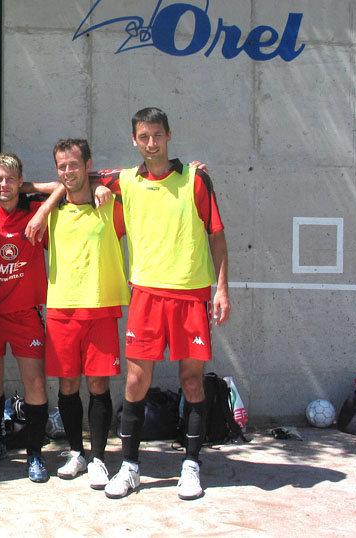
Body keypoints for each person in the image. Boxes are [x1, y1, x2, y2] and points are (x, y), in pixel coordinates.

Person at [101, 107, 230, 501]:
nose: (151, 143)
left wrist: (222, 289)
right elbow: (71, 178)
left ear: (169, 135)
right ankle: (129, 467)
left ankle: (190, 466)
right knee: (136, 381)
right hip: (146, 295)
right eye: (144, 136)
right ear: (134, 140)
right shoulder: (124, 181)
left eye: (157, 135)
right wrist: (94, 190)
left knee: (191, 381)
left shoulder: (195, 178)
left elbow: (217, 236)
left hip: (191, 294)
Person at [25, 139, 129, 490]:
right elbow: (13, 188)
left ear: (88, 165)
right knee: (67, 385)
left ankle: (98, 458)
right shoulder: (50, 213)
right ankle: (76, 453)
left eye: (74, 164)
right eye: (62, 166)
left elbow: (139, 178)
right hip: (61, 309)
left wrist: (99, 184)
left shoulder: (110, 205)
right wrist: (45, 206)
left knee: (98, 384)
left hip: (101, 307)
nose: (68, 171)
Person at [0, 153, 52, 483]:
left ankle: (34, 452)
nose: (3, 185)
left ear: (21, 181)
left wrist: (40, 206)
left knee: (35, 383)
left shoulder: (35, 210)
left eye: (10, 179)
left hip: (25, 313)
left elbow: (65, 186)